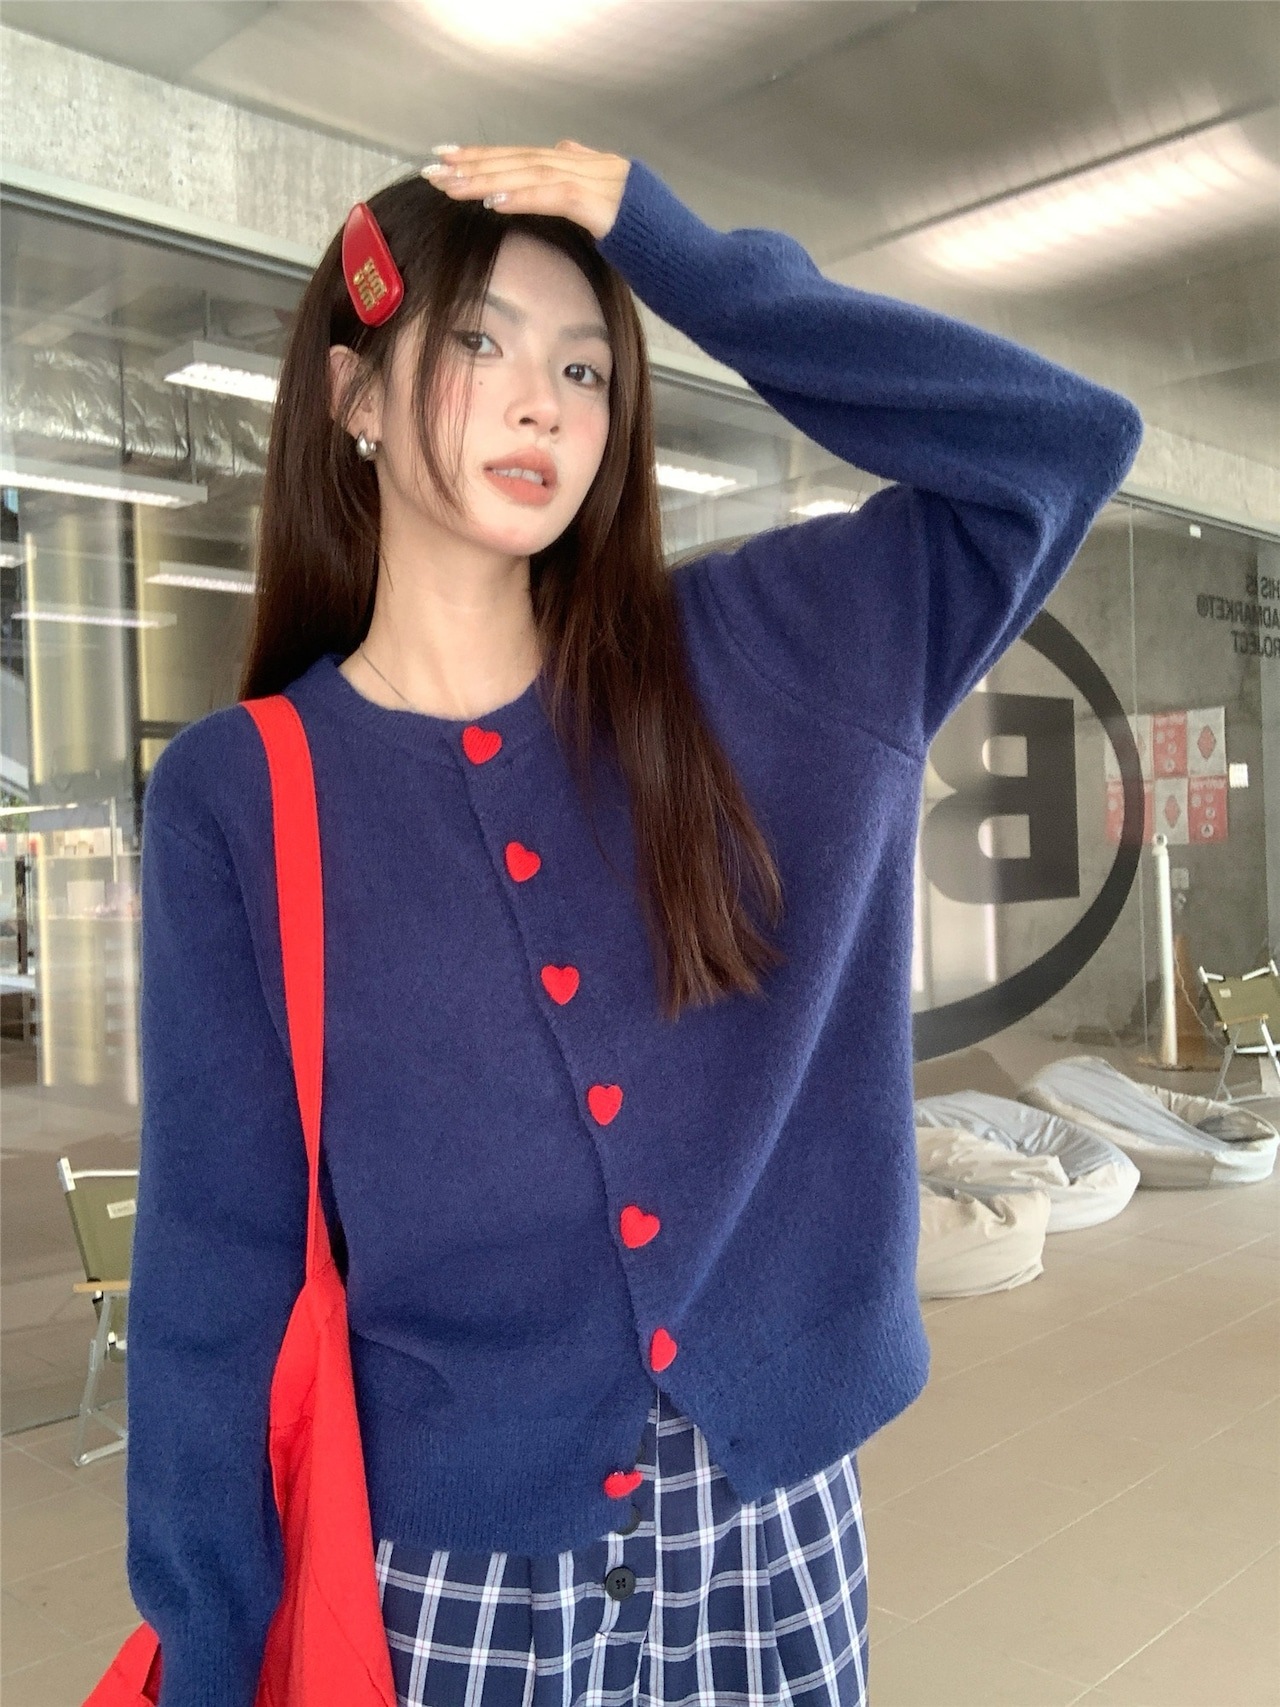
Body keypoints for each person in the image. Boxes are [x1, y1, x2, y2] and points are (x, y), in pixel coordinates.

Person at [124, 140, 1144, 1706]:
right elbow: (217, 1269)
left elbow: (1061, 447)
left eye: (586, 366)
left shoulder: (761, 655)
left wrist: (677, 252)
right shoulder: (244, 795)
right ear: (354, 393)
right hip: (451, 1577)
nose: (542, 401)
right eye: (479, 343)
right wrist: (208, 1654)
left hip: (771, 1536)